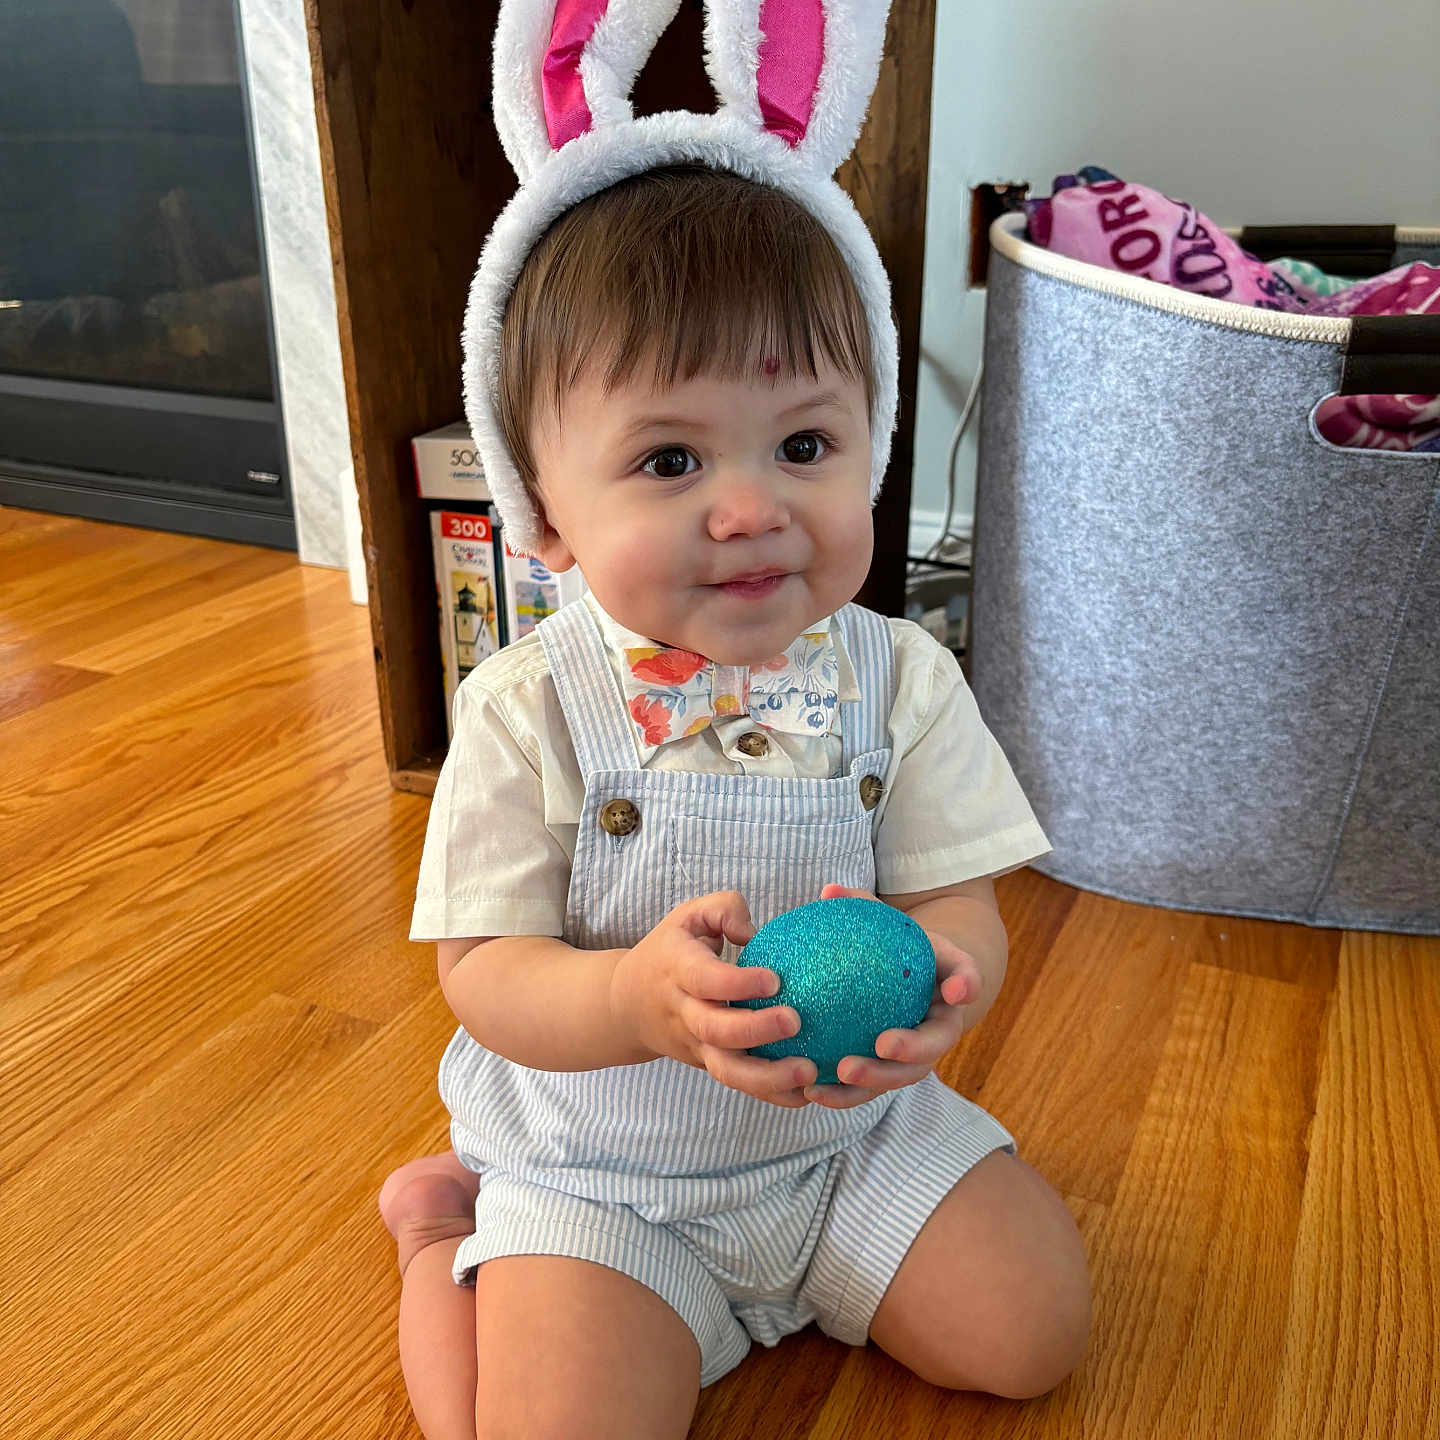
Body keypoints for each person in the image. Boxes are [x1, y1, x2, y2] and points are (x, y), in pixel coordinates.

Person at [381, 3, 1088, 1435]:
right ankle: (436, 1228)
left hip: (850, 1146)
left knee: (1034, 1333)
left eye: (807, 445)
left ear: (872, 453)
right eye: (669, 456)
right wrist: (632, 999)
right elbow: (485, 973)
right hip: (606, 1180)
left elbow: (960, 895)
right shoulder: (526, 709)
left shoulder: (900, 676)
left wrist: (944, 980)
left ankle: (816, 1267)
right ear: (544, 514)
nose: (754, 504)